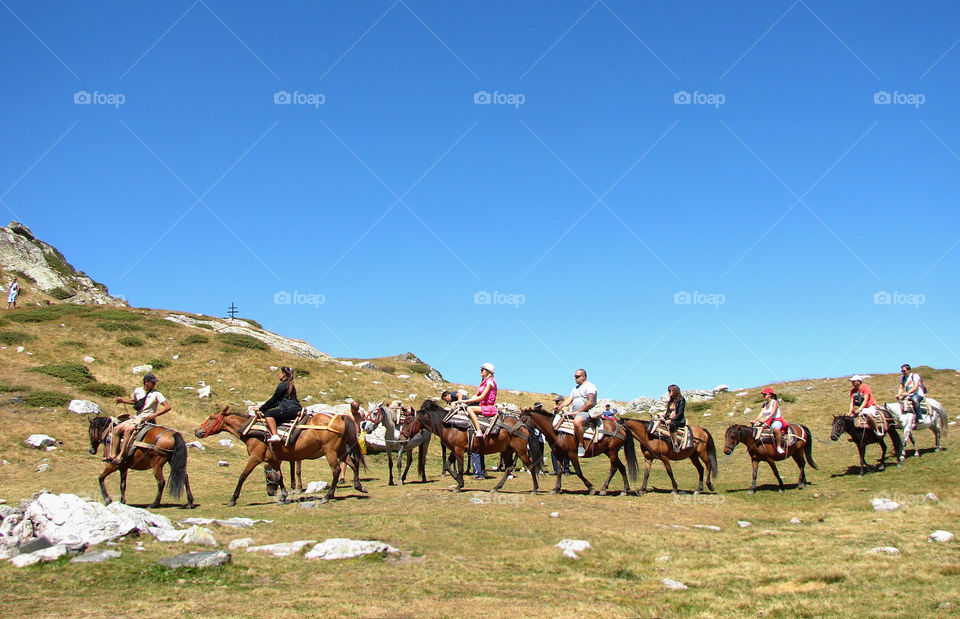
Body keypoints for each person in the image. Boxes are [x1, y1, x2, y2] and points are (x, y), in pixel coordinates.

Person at [107, 373, 170, 464]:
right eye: (152, 382)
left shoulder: (157, 394)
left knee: (128, 430)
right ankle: (112, 454)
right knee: (116, 429)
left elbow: (167, 407)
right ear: (146, 382)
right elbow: (135, 402)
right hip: (136, 417)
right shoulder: (137, 391)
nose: (154, 384)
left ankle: (121, 455)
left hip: (146, 419)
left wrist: (154, 414)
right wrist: (122, 401)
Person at [255, 366, 302, 442]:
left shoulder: (283, 385)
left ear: (283, 374)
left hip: (288, 409)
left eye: (279, 373)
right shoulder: (290, 385)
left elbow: (273, 399)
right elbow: (277, 402)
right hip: (296, 409)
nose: (278, 374)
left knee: (268, 414)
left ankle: (275, 435)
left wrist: (261, 409)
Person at [558, 369, 598, 457]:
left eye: (577, 376)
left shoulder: (590, 386)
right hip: (574, 412)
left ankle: (580, 445)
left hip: (587, 412)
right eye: (575, 376)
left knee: (577, 421)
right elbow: (568, 400)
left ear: (583, 377)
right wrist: (560, 407)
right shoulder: (575, 388)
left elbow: (590, 402)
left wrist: (578, 411)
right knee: (557, 420)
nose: (575, 378)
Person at [462, 363, 498, 437]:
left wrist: (467, 401)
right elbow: (477, 395)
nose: (480, 371)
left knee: (470, 409)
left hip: (489, 407)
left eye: (482, 370)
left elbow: (481, 397)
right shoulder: (484, 382)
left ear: (487, 371)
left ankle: (479, 431)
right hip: (483, 406)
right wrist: (461, 402)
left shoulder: (490, 382)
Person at [752, 387, 786, 454]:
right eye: (763, 394)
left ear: (770, 395)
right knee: (755, 429)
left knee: (776, 429)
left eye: (765, 394)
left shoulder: (774, 402)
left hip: (776, 420)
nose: (763, 396)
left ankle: (779, 446)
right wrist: (755, 420)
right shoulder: (764, 405)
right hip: (767, 421)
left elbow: (773, 413)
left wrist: (765, 419)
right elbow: (761, 414)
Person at [550, 394, 572, 475]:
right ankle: (556, 469)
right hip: (556, 433)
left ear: (562, 401)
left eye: (557, 401)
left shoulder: (566, 408)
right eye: (556, 401)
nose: (556, 403)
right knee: (554, 451)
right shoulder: (555, 409)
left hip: (564, 431)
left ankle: (566, 469)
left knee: (566, 451)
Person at [663, 384, 686, 451]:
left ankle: (675, 443)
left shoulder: (681, 400)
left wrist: (671, 420)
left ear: (674, 391)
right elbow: (668, 412)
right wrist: (664, 416)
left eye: (670, 391)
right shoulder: (670, 402)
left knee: (671, 425)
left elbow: (680, 414)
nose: (668, 393)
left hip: (678, 420)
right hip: (669, 419)